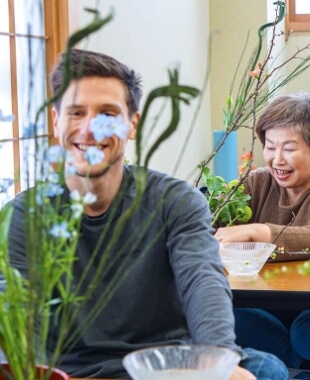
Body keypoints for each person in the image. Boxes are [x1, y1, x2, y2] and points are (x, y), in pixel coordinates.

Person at [7, 48, 289, 380]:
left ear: (132, 124)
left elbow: (203, 281)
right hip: (70, 372)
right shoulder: (24, 214)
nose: (90, 128)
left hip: (166, 366)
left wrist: (220, 361)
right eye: (76, 113)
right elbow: (14, 311)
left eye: (107, 114)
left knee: (266, 369)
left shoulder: (174, 201)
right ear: (56, 121)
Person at [215, 92, 310, 369]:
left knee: (304, 331)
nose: (277, 159)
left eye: (289, 148)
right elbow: (213, 223)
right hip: (264, 303)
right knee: (225, 312)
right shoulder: (256, 183)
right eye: (270, 147)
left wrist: (260, 232)